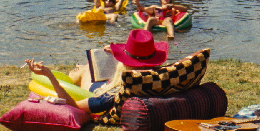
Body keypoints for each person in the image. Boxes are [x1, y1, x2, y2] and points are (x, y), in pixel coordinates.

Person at [25, 29, 168, 115]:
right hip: (120, 77)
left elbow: (73, 104)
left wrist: (49, 75)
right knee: (95, 64)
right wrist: (116, 53)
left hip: (99, 88)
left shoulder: (113, 95)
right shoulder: (165, 77)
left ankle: (78, 70)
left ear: (125, 64)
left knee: (86, 68)